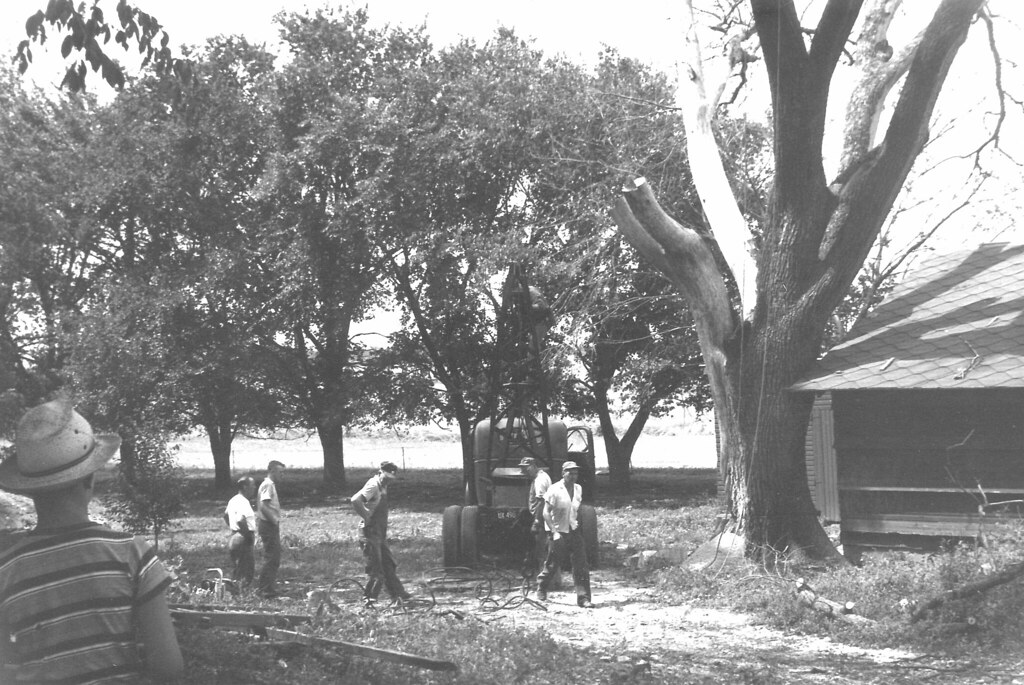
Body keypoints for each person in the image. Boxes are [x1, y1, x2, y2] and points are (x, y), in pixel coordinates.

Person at [0, 399, 184, 683]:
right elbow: (169, 669)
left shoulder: (6, 570)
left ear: (30, 490)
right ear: (89, 479)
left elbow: (7, 670)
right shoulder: (132, 554)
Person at [536, 460, 593, 608]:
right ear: (563, 473)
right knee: (553, 564)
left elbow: (577, 509)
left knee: (581, 565)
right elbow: (545, 513)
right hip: (558, 532)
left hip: (573, 531)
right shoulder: (554, 489)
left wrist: (578, 525)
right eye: (570, 473)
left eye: (576, 473)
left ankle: (583, 598)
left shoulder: (578, 488)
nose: (573, 476)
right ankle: (541, 586)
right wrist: (554, 533)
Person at [351, 461, 410, 603]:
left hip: (379, 533)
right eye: (386, 476)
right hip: (370, 533)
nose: (388, 480)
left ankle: (398, 595)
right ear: (380, 472)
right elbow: (355, 500)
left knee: (388, 564)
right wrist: (366, 516)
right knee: (377, 571)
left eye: (391, 478)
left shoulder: (383, 486)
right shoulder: (373, 485)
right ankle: (369, 600)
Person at [518, 456, 551, 581]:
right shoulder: (540, 477)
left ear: (533, 466)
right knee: (540, 549)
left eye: (526, 469)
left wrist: (537, 521)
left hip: (542, 518)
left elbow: (541, 502)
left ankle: (543, 580)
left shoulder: (540, 480)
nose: (524, 472)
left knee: (540, 549)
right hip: (541, 516)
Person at [256, 460, 285, 598]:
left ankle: (268, 587)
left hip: (268, 523)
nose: (282, 475)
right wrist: (274, 521)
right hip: (268, 524)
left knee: (274, 556)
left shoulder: (269, 485)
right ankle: (265, 589)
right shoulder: (268, 485)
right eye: (280, 472)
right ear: (272, 471)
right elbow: (263, 505)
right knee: (272, 557)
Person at [225, 475, 257, 588]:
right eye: (252, 486)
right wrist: (247, 536)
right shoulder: (243, 502)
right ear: (244, 487)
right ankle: (242, 594)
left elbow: (225, 515)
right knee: (246, 569)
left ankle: (235, 592)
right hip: (243, 536)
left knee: (238, 568)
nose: (254, 488)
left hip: (234, 537)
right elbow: (241, 520)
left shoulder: (233, 500)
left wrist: (233, 527)